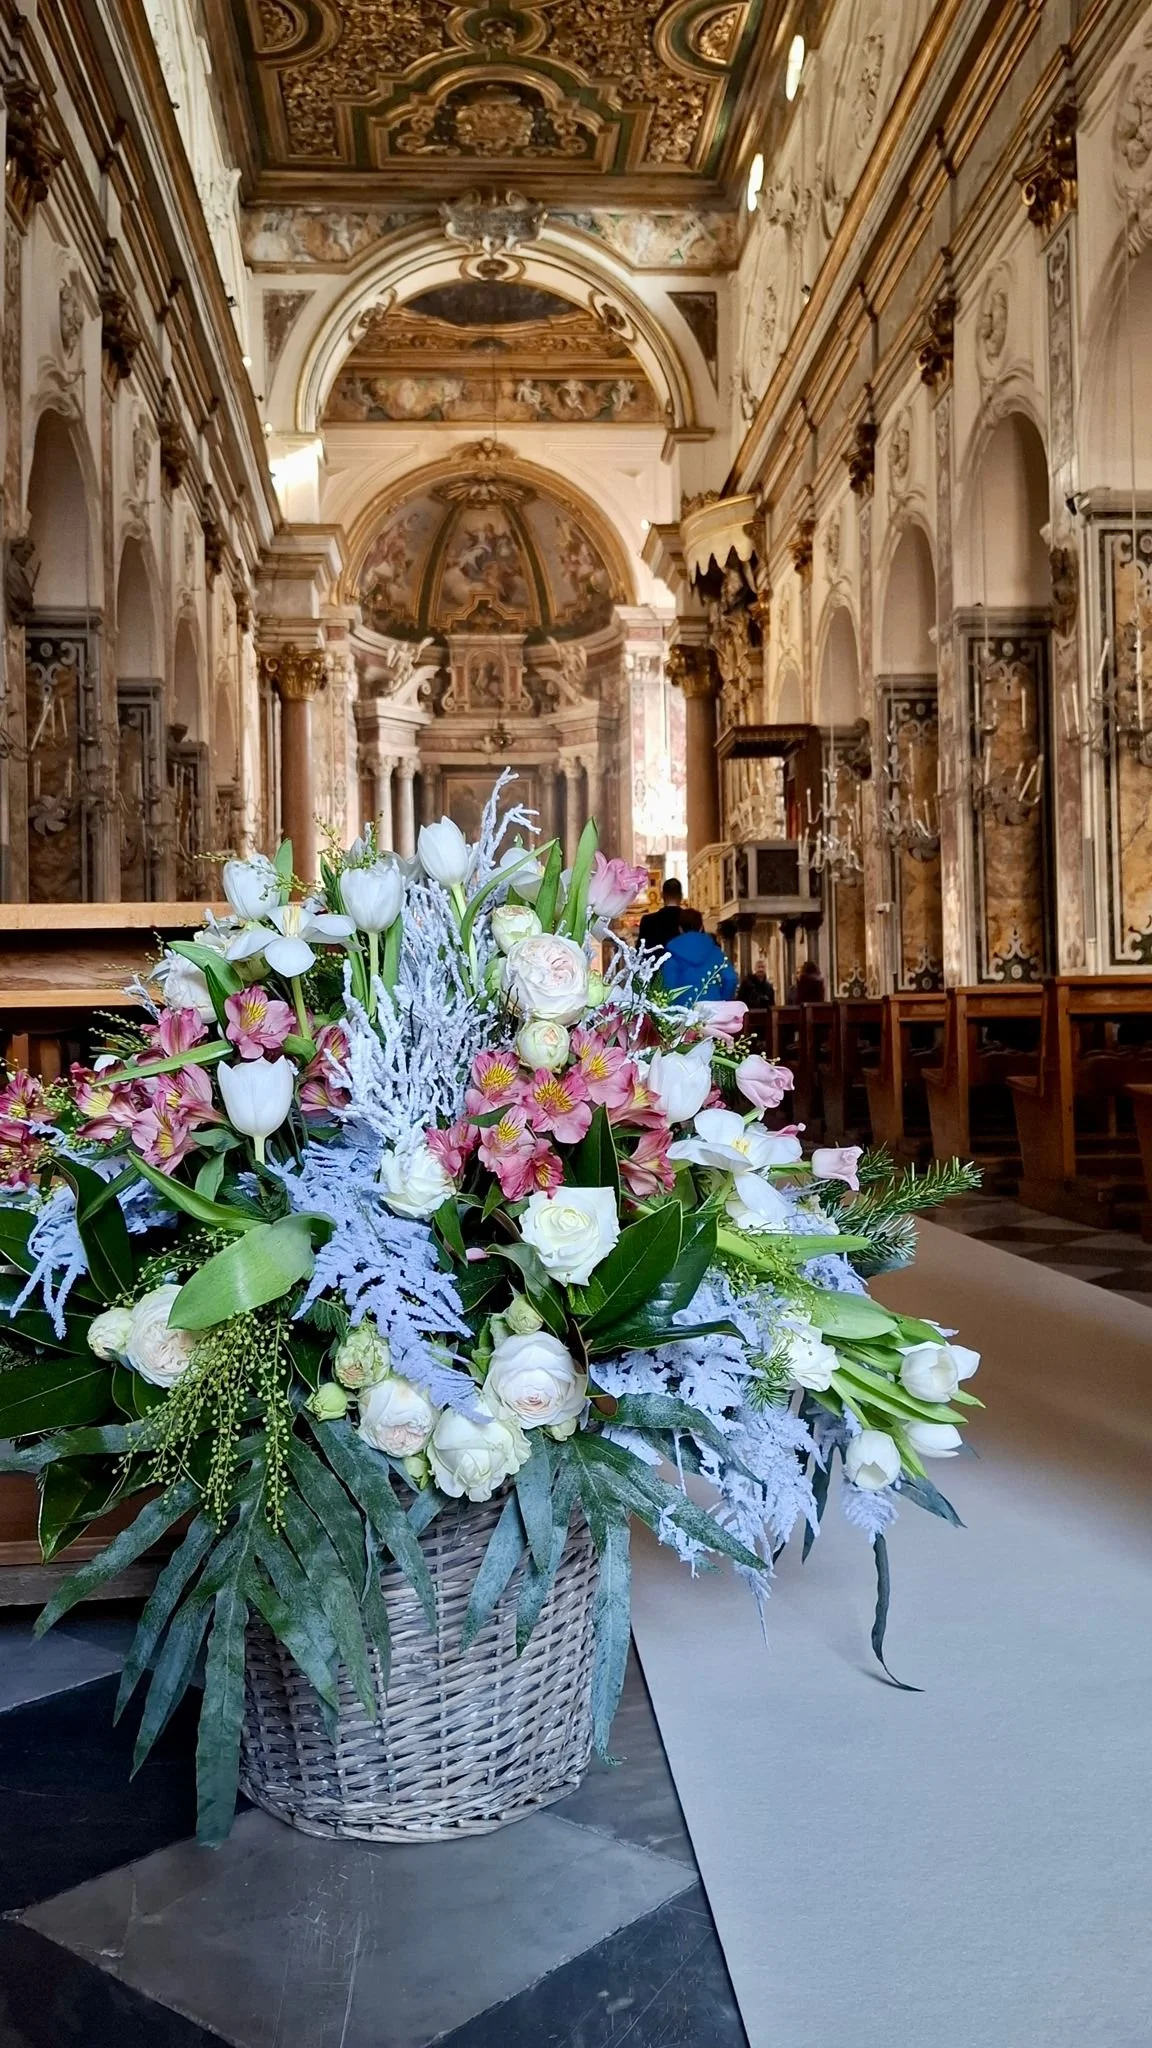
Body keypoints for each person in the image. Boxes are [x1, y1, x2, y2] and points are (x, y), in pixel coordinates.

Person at [659, 907, 738, 1005]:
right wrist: (721, 1000)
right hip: (712, 1012)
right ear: (701, 927)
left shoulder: (673, 956)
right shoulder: (716, 953)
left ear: (680, 929)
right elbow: (731, 979)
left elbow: (668, 987)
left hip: (683, 1013)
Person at [638, 875, 683, 954]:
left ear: (662, 895)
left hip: (656, 965)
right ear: (681, 896)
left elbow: (640, 951)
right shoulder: (692, 919)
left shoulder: (648, 921)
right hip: (684, 965)